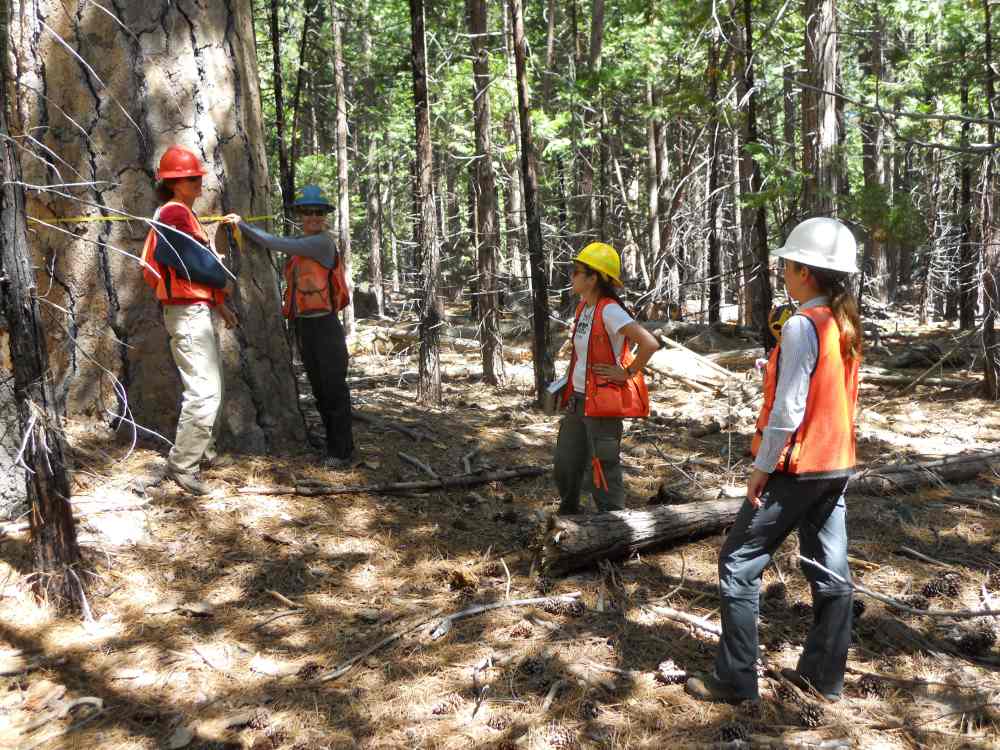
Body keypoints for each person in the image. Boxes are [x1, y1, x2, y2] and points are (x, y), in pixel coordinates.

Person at [686, 217, 862, 704]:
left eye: (787, 263)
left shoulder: (805, 325)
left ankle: (735, 679)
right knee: (831, 573)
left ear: (805, 271)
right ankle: (823, 679)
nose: (782, 269)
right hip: (836, 464)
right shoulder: (841, 322)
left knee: (738, 562)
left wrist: (762, 466)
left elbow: (788, 411)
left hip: (799, 466)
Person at [224, 185, 354, 469]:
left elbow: (276, 243)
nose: (313, 217)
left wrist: (242, 226)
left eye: (318, 212)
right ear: (300, 215)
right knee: (320, 389)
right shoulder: (303, 247)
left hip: (326, 327)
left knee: (333, 389)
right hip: (305, 328)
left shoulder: (321, 243)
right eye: (307, 212)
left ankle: (342, 452)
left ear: (325, 217)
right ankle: (334, 446)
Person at [140, 145, 238, 496]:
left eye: (197, 176)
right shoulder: (174, 214)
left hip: (193, 311)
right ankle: (184, 466)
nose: (198, 181)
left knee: (211, 387)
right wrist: (219, 278)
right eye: (190, 177)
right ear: (174, 183)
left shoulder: (181, 214)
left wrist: (220, 304)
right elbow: (184, 260)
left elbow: (186, 269)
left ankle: (203, 452)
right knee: (204, 392)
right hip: (186, 315)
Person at [553, 242, 660, 514]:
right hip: (578, 400)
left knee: (603, 467)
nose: (572, 276)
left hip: (601, 404)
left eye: (577, 271)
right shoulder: (584, 308)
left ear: (593, 278)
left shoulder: (610, 310)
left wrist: (626, 372)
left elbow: (649, 343)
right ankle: (569, 519)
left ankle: (612, 525)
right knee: (566, 463)